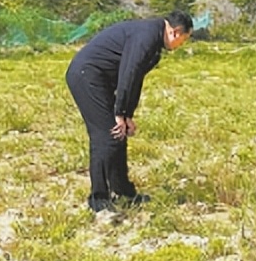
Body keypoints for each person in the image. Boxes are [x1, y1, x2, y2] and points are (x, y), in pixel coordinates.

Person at [66, 11, 194, 213]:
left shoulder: (153, 39)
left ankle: (124, 192)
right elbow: (129, 72)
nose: (181, 46)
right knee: (106, 135)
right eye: (184, 40)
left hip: (99, 80)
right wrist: (120, 112)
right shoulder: (147, 37)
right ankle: (98, 199)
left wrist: (127, 115)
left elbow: (134, 80)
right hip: (86, 76)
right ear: (176, 32)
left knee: (118, 134)